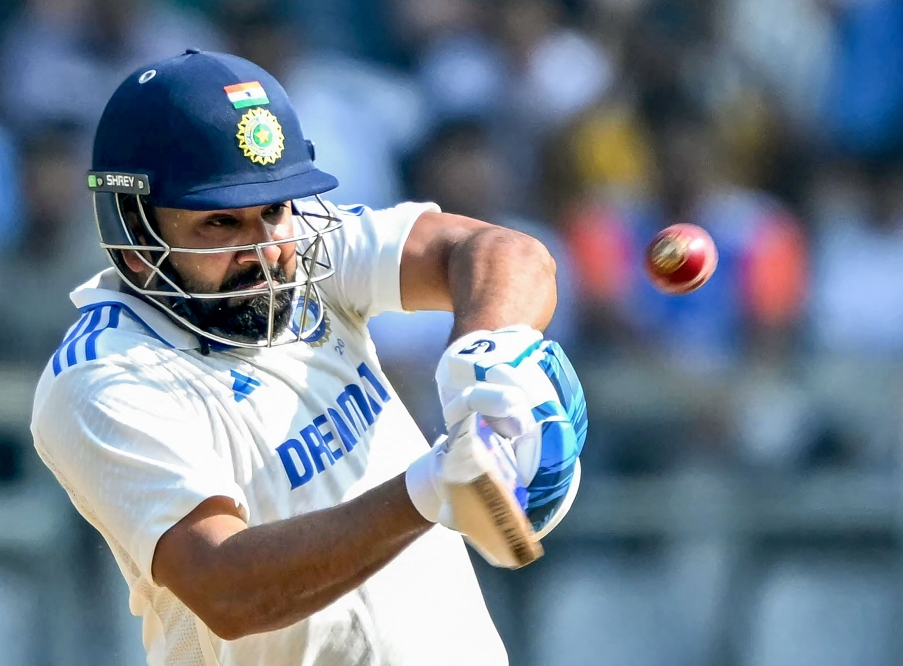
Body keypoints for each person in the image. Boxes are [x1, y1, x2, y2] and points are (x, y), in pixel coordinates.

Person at [29, 49, 586, 666]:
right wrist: (425, 492)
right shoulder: (102, 376)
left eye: (274, 209)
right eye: (220, 222)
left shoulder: (306, 250)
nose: (265, 250)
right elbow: (227, 589)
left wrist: (490, 351)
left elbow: (501, 251)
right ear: (137, 239)